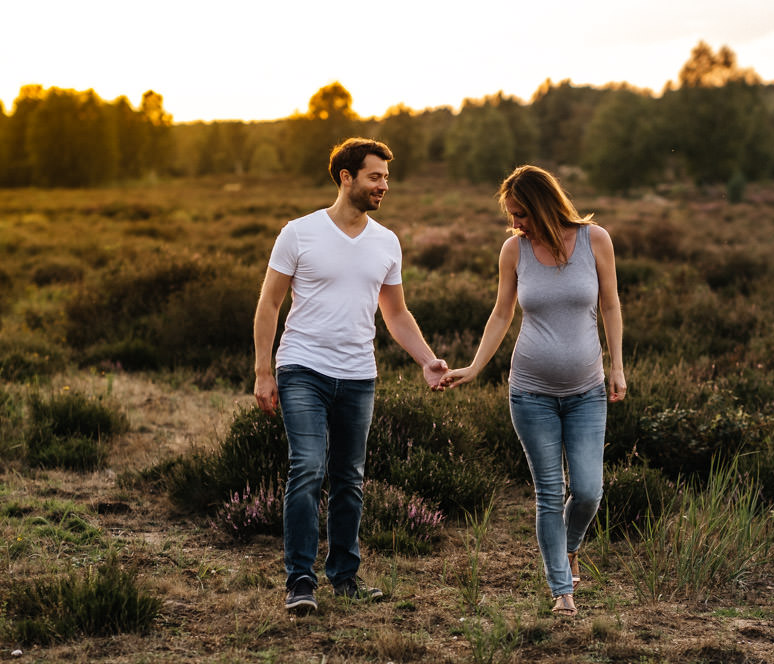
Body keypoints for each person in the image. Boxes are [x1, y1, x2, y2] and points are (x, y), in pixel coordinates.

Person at [253, 138, 448, 615]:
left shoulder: (386, 241)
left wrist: (426, 359)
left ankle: (345, 577)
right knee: (308, 469)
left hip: (359, 375)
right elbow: (269, 304)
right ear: (346, 177)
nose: (384, 185)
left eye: (385, 176)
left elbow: (396, 313)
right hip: (301, 367)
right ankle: (300, 580)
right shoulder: (298, 234)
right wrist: (263, 370)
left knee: (349, 479)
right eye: (375, 176)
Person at [441, 165, 626, 618]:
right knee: (548, 492)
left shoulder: (594, 239)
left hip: (587, 390)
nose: (516, 223)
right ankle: (562, 591)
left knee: (587, 490)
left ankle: (570, 546)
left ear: (543, 205)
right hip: (530, 392)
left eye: (521, 214)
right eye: (511, 216)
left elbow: (610, 303)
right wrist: (475, 366)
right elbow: (501, 313)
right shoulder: (514, 251)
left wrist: (618, 365)